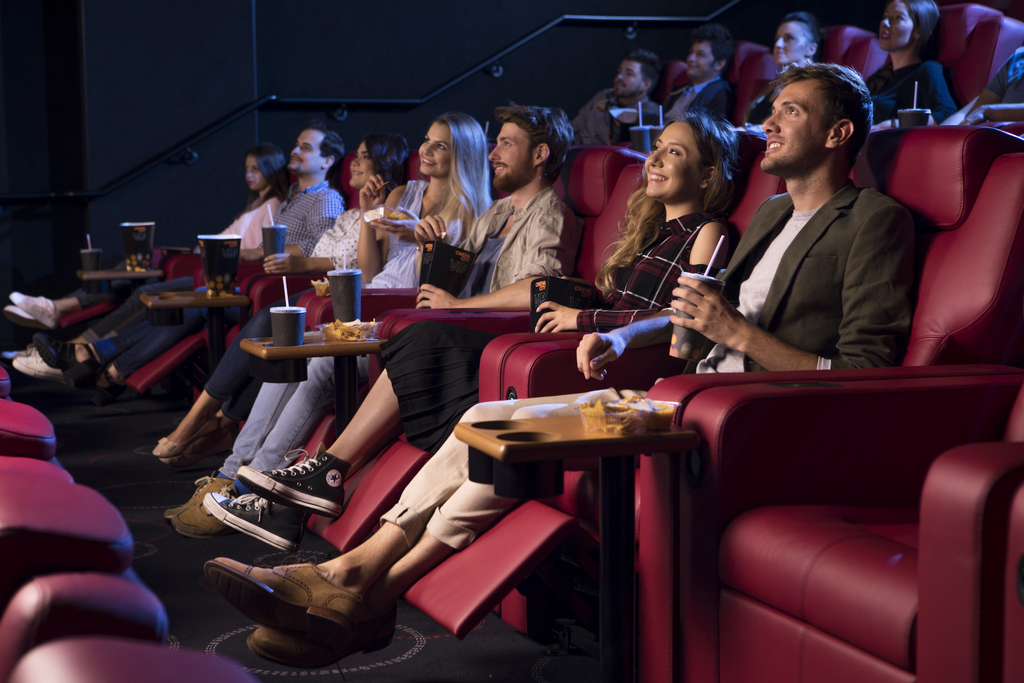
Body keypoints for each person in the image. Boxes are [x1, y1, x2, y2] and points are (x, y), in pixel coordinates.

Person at [200, 107, 752, 668]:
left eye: (673, 152)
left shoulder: (706, 232)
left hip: (632, 384)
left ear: (709, 174)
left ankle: (358, 585)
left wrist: (586, 320)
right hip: (595, 364)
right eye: (655, 148)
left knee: (475, 409)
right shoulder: (647, 236)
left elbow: (683, 319)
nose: (654, 159)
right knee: (479, 419)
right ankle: (359, 584)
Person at [198, 104, 589, 551]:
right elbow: (445, 282)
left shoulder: (550, 213)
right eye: (495, 142)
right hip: (458, 330)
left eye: (505, 143)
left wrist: (458, 305)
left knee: (403, 342)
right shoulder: (498, 213)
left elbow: (540, 290)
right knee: (333, 352)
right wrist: (432, 248)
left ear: (540, 154)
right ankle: (278, 488)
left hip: (493, 347)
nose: (493, 153)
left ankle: (289, 484)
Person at [162, 117, 491, 540]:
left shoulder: (474, 212)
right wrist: (370, 221)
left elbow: (447, 289)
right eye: (426, 141)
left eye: (440, 145)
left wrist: (427, 241)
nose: (426, 150)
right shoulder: (402, 194)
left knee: (319, 364)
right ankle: (232, 474)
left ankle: (247, 487)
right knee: (296, 346)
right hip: (373, 300)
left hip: (405, 315)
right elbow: (370, 271)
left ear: (463, 154)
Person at [29, 121, 345, 404]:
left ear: (327, 161)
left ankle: (99, 359)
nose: (295, 150)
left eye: (305, 147)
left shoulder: (326, 198)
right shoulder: (295, 194)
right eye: (296, 144)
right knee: (163, 297)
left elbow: (316, 249)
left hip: (272, 286)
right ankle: (103, 362)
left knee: (190, 304)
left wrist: (253, 254)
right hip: (252, 276)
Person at [6, 142, 290, 379]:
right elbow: (221, 239)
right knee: (129, 274)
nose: (249, 175)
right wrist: (193, 250)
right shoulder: (254, 207)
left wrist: (208, 252)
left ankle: (69, 332)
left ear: (272, 168)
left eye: (256, 169)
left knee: (144, 289)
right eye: (247, 169)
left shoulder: (272, 207)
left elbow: (251, 250)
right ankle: (65, 327)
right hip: (206, 266)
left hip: (227, 276)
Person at [867, 0, 956, 128]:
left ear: (918, 31)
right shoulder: (879, 78)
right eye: (885, 17)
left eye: (898, 17)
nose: (885, 23)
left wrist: (891, 124)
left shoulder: (927, 69)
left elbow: (947, 114)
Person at [743, 12, 820, 132]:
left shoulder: (811, 88)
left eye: (789, 38)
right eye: (777, 39)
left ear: (811, 48)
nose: (778, 44)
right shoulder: (770, 87)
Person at [572, 48, 662, 145]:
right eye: (619, 71)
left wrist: (609, 107)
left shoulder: (650, 111)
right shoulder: (604, 95)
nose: (619, 77)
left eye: (629, 74)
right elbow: (574, 126)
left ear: (646, 85)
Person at [664, 24, 735, 121]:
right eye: (691, 52)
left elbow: (703, 129)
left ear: (719, 64)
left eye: (700, 55)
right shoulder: (678, 90)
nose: (690, 58)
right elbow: (660, 120)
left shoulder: (720, 94)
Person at [943, 45, 1024, 125]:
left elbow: (983, 110)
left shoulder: (987, 111)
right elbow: (973, 111)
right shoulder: (1018, 57)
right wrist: (943, 132)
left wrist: (988, 112)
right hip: (984, 131)